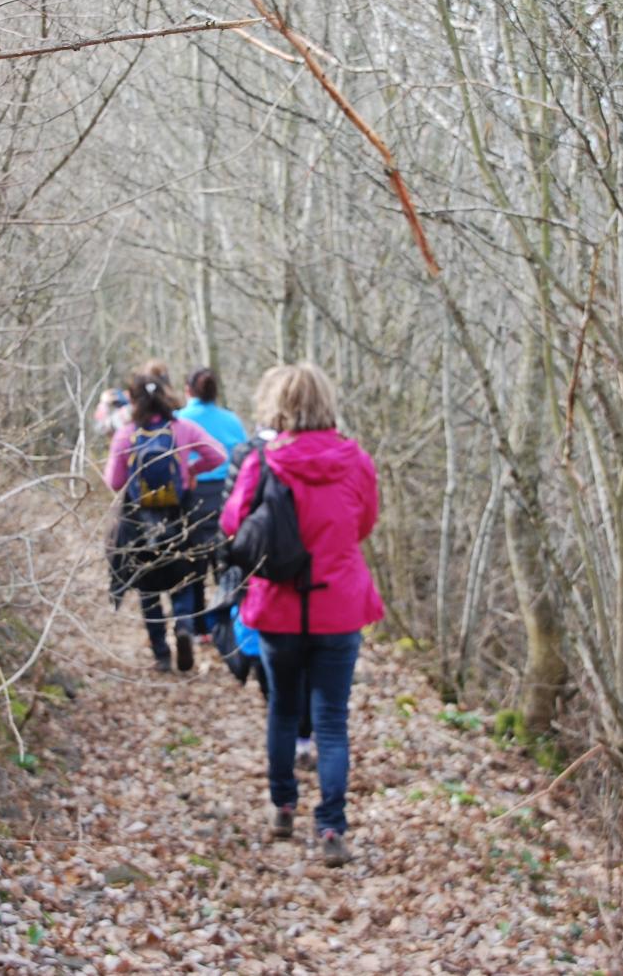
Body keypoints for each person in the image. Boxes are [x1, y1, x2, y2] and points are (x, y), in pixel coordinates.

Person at [220, 362, 380, 867]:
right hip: (338, 606)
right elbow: (365, 523)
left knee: (284, 709)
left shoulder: (264, 461)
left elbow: (232, 522)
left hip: (277, 606)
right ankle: (332, 828)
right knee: (331, 720)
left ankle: (283, 806)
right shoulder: (355, 460)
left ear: (279, 405)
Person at [103, 362, 226, 672]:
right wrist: (191, 472)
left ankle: (161, 654)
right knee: (182, 578)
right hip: (178, 514)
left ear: (133, 400)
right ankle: (184, 627)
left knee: (148, 587)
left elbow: (114, 481)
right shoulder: (181, 428)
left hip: (139, 521)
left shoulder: (127, 434)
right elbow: (218, 455)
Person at [176, 367, 249, 639]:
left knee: (193, 562)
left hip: (192, 497)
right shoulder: (232, 421)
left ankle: (197, 628)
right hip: (230, 495)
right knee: (227, 562)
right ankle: (228, 625)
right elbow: (246, 459)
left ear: (188, 390)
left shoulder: (180, 420)